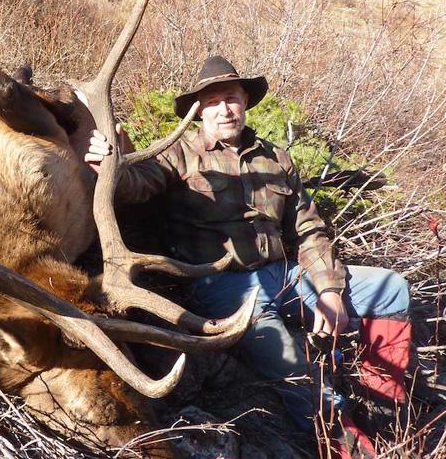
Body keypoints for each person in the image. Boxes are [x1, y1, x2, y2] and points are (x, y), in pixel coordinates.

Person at [85, 56, 411, 455]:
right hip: (222, 289)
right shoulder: (177, 153)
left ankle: (387, 405)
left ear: (245, 104)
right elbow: (135, 186)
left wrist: (328, 292)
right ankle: (346, 445)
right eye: (214, 101)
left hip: (282, 275)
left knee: (392, 289)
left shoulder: (277, 158)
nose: (225, 109)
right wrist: (110, 167)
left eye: (233, 98)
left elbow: (309, 229)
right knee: (292, 363)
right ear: (198, 110)